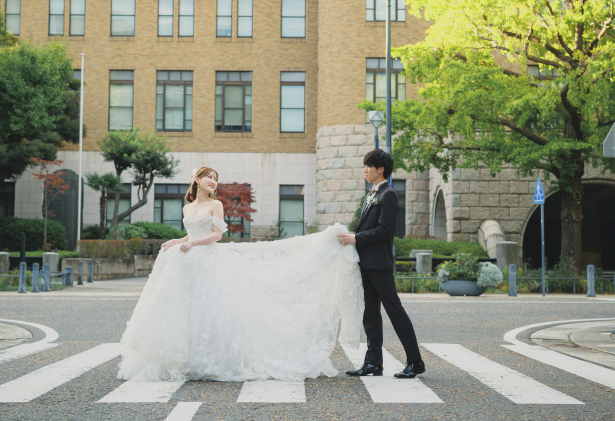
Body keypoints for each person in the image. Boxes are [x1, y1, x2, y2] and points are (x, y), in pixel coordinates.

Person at [117, 166, 364, 382]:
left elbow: (216, 235)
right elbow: (190, 233)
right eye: (208, 177)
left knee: (211, 308)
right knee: (185, 308)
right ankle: (185, 358)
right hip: (186, 261)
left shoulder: (216, 204)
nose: (213, 181)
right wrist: (175, 241)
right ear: (197, 180)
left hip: (207, 259)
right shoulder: (187, 207)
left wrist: (192, 244)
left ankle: (213, 358)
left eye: (215, 178)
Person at [337, 149, 426, 379]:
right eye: (364, 166)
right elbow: (369, 228)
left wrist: (356, 238)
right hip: (366, 263)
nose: (365, 170)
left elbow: (385, 230)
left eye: (368, 166)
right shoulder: (371, 195)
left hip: (380, 264)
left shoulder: (389, 195)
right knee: (371, 314)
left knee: (395, 312)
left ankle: (415, 362)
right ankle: (373, 363)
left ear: (381, 169)